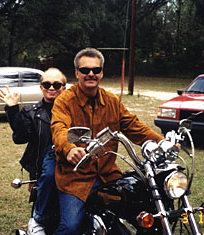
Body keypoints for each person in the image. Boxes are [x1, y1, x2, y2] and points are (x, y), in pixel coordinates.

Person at [51, 48, 165, 234]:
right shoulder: (65, 100)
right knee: (70, 227)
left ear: (101, 73)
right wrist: (69, 148)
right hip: (76, 178)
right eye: (85, 70)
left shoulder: (111, 101)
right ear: (77, 73)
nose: (90, 74)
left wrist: (163, 143)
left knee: (142, 212)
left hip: (108, 175)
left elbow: (134, 126)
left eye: (96, 70)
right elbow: (59, 128)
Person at [0, 67, 67, 235]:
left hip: (69, 170)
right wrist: (12, 109)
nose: (51, 88)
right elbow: (20, 137)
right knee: (43, 217)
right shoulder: (32, 112)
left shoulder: (73, 111)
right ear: (41, 87)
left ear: (64, 87)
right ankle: (36, 222)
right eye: (47, 84)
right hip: (41, 171)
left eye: (56, 85)